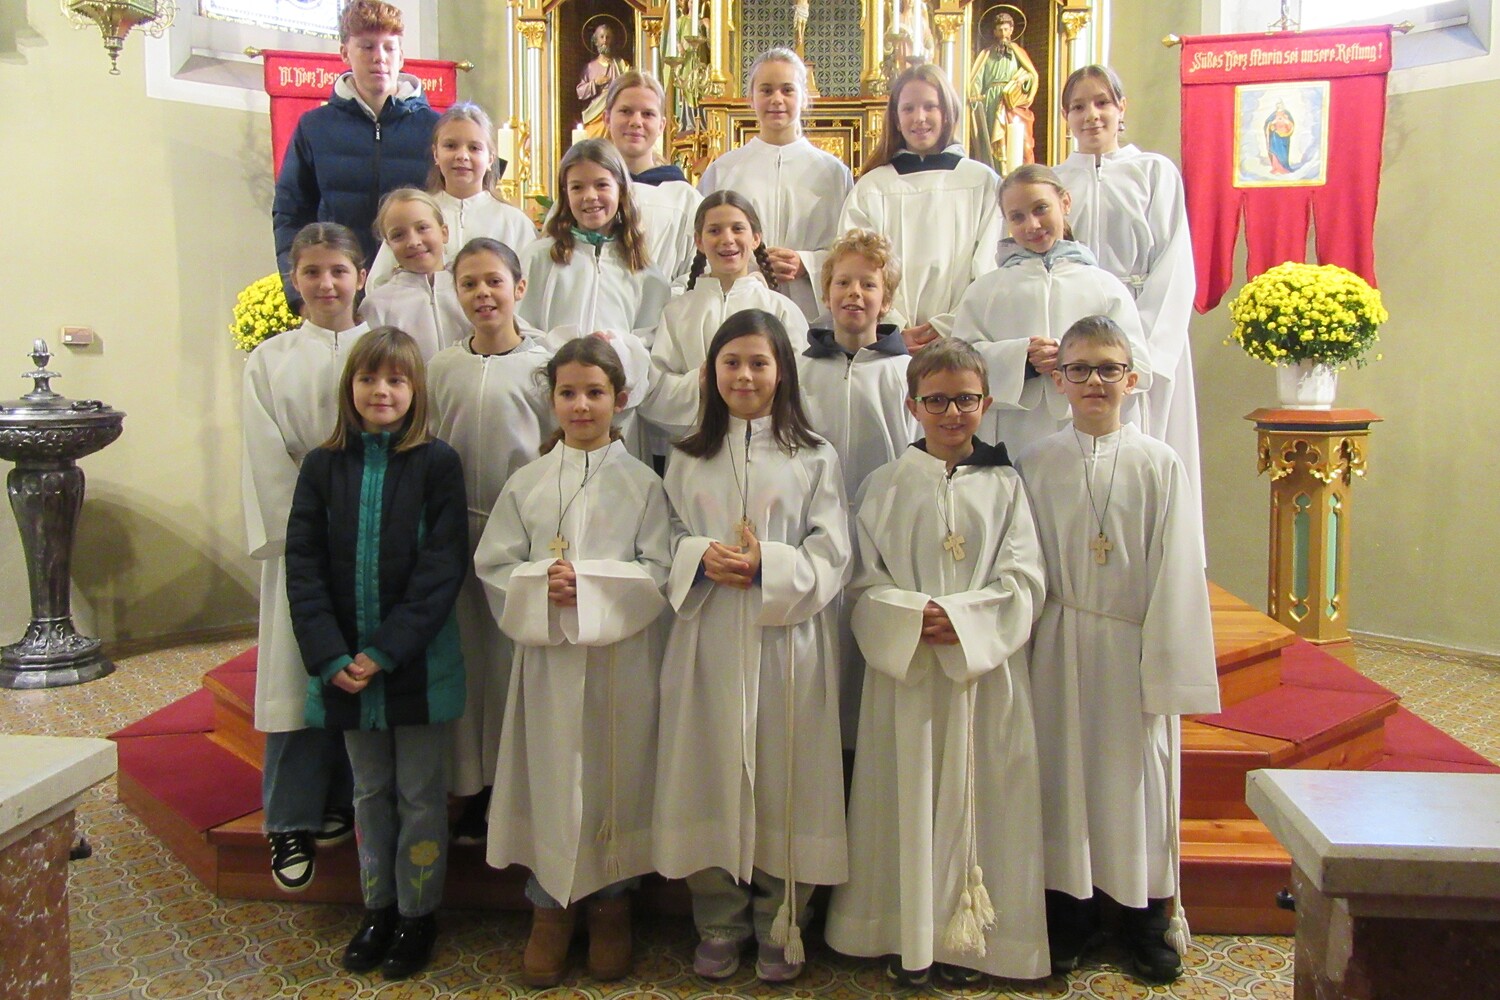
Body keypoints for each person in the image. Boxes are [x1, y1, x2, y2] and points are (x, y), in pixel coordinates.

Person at [824, 339, 1048, 987]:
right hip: (909, 675)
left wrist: (967, 620)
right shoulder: (884, 486)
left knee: (985, 802)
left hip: (984, 676)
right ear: (912, 405)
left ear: (987, 402)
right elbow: (861, 583)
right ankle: (903, 935)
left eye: (966, 399)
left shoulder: (1007, 486)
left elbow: (1026, 578)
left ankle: (974, 943)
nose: (953, 413)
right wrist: (910, 616)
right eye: (937, 400)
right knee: (904, 799)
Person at [1014, 315, 1220, 984]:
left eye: (1108, 368)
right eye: (1079, 369)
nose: (1094, 381)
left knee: (1138, 781)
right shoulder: (1035, 462)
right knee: (1061, 778)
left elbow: (1178, 571)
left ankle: (1144, 917)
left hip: (1132, 644)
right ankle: (1069, 914)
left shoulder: (1159, 464)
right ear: (1059, 379)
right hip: (1057, 642)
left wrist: (1167, 668)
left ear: (1132, 380)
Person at [653, 310, 850, 985]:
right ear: (710, 372)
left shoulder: (814, 455)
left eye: (759, 362)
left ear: (782, 371)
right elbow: (662, 537)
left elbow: (833, 548)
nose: (744, 375)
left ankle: (781, 917)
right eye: (731, 362)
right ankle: (717, 917)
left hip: (786, 638)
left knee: (785, 775)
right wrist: (695, 555)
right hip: (706, 634)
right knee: (707, 769)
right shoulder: (686, 455)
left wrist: (771, 562)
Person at [475, 337, 672, 988]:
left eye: (595, 392)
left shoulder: (644, 484)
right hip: (549, 665)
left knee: (616, 778)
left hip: (621, 664)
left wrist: (590, 587)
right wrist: (539, 583)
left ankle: (613, 906)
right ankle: (549, 911)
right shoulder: (527, 483)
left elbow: (660, 569)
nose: (581, 405)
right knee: (552, 781)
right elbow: (494, 564)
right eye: (568, 393)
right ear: (552, 400)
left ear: (620, 399)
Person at [284, 327, 468, 980]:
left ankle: (418, 912)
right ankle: (377, 908)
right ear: (350, 388)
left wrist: (386, 651)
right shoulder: (322, 466)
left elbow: (442, 567)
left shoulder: (437, 464)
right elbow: (303, 566)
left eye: (395, 379)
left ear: (416, 390)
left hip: (415, 665)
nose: (381, 391)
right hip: (343, 668)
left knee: (419, 793)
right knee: (369, 791)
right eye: (368, 379)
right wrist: (331, 656)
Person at [241, 222, 366, 896]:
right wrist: (311, 525)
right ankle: (288, 816)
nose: (326, 284)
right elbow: (265, 454)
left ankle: (340, 797)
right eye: (313, 272)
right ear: (294, 279)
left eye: (338, 270)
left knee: (357, 671)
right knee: (296, 675)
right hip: (304, 540)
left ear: (361, 276)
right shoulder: (270, 360)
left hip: (373, 536)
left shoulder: (383, 349)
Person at [427, 237, 555, 845]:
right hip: (457, 530)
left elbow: (558, 446)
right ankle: (465, 782)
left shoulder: (543, 366)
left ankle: (511, 785)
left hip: (521, 536)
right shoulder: (441, 367)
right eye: (469, 283)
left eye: (494, 282)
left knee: (510, 663)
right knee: (467, 660)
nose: (483, 294)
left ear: (519, 288)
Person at [1054, 65, 1204, 546]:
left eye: (1102, 102)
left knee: (1147, 459)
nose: (1091, 115)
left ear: (1122, 108)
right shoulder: (1054, 182)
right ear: (1065, 116)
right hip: (1075, 338)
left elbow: (1174, 263)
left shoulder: (1153, 172)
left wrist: (1143, 355)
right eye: (1078, 106)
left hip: (1144, 333)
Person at [795, 229, 917, 745]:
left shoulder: (905, 371)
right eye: (842, 282)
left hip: (881, 527)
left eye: (868, 284)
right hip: (814, 529)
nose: (854, 294)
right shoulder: (800, 370)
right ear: (826, 293)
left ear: (886, 299)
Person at [951, 163, 1150, 457]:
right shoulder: (984, 291)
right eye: (1017, 217)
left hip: (1085, 433)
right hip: (1011, 431)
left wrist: (1074, 359)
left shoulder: (1105, 286)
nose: (1032, 225)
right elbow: (959, 366)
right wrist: (1021, 359)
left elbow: (1140, 367)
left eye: (1041, 209)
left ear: (1065, 202)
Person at [272, 0, 439, 309]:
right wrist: (299, 295)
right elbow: (290, 214)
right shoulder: (315, 127)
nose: (380, 58)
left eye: (389, 48)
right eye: (367, 47)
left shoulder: (437, 129)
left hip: (418, 293)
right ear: (344, 53)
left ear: (401, 55)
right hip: (338, 294)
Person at [840, 63, 1004, 351]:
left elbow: (990, 267)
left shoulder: (981, 181)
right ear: (895, 118)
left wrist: (949, 326)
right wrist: (894, 327)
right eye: (908, 108)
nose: (919, 117)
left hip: (963, 338)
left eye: (930, 106)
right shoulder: (873, 187)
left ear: (947, 112)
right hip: (889, 339)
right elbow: (855, 265)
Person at [518, 139, 670, 434]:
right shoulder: (539, 258)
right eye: (577, 187)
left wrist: (615, 347)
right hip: (553, 403)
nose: (590, 196)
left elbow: (651, 342)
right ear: (565, 194)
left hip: (616, 411)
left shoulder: (643, 270)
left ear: (621, 189)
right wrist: (570, 348)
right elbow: (521, 330)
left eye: (601, 185)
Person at [698, 48, 853, 322]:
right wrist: (753, 261)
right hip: (742, 308)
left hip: (812, 310)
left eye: (787, 90)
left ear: (804, 97)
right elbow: (702, 245)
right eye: (766, 90)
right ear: (751, 98)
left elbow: (848, 248)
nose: (776, 99)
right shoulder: (724, 170)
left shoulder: (833, 173)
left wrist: (806, 263)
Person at [639, 191, 809, 440]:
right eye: (714, 230)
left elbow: (803, 381)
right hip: (698, 444)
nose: (727, 239)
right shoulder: (677, 312)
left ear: (756, 238)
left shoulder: (781, 309)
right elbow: (655, 391)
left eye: (737, 229)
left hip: (769, 441)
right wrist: (698, 381)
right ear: (699, 241)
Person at [367, 102, 538, 290]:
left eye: (474, 148)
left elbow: (531, 286)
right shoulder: (413, 214)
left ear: (490, 158)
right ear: (436, 154)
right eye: (450, 146)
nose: (462, 155)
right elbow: (378, 283)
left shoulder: (514, 222)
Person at [604, 71, 704, 281]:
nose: (636, 121)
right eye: (625, 111)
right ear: (607, 118)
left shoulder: (684, 198)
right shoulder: (585, 190)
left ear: (661, 126)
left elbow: (697, 272)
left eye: (648, 114)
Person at [360, 188, 467, 360]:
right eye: (398, 235)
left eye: (422, 228)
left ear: (444, 233)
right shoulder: (376, 306)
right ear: (388, 245)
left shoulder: (470, 290)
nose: (413, 242)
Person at [966, 8, 1038, 176]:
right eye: (999, 30)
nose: (1003, 34)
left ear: (1011, 30)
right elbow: (977, 78)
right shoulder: (986, 54)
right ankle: (994, 172)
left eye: (1006, 29)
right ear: (994, 32)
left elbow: (1031, 75)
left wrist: (1022, 81)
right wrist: (976, 95)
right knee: (991, 140)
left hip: (1011, 102)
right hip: (990, 101)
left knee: (1017, 140)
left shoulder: (1018, 53)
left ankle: (1012, 174)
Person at [577, 19, 631, 139]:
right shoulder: (590, 67)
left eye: (608, 37)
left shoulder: (620, 65)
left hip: (615, 114)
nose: (605, 41)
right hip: (595, 115)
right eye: (601, 37)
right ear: (596, 41)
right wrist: (595, 83)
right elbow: (580, 92)